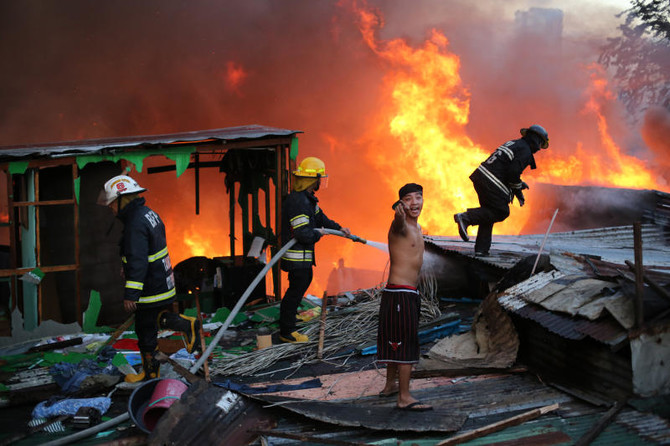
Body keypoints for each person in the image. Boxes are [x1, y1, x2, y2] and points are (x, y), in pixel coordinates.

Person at [99, 174, 200, 382]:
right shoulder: (148, 213)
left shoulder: (135, 223)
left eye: (112, 204)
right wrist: (127, 267)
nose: (111, 208)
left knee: (145, 332)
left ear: (122, 199)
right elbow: (144, 253)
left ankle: (150, 375)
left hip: (150, 287)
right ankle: (183, 329)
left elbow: (138, 260)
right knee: (153, 321)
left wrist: (131, 294)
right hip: (161, 281)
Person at [279, 157, 351, 343]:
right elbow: (303, 233)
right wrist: (319, 233)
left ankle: (291, 319)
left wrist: (339, 228)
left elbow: (321, 219)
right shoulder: (299, 201)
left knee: (301, 285)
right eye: (320, 178)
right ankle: (287, 332)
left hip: (302, 256)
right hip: (296, 257)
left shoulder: (307, 199)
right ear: (313, 179)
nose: (321, 182)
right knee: (296, 289)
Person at [377, 183, 432, 411]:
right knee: (405, 344)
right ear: (401, 204)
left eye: (418, 197)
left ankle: (390, 385)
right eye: (408, 199)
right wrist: (398, 215)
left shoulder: (418, 228)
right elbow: (399, 221)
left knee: (396, 341)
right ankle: (404, 397)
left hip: (407, 294)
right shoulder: (399, 226)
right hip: (400, 293)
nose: (415, 203)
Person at [454, 124, 549, 256]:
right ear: (535, 140)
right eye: (540, 144)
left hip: (481, 176)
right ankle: (466, 218)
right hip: (491, 181)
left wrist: (518, 188)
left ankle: (482, 249)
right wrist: (518, 187)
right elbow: (513, 172)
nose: (539, 149)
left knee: (488, 213)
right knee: (501, 211)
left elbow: (507, 169)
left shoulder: (515, 144)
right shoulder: (525, 150)